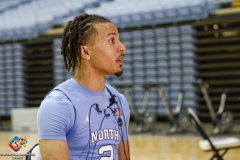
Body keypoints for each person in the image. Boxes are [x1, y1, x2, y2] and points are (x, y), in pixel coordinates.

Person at [37, 13, 130, 160]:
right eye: (112, 40)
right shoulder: (58, 105)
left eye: (119, 40)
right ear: (85, 52)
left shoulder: (119, 101)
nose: (122, 47)